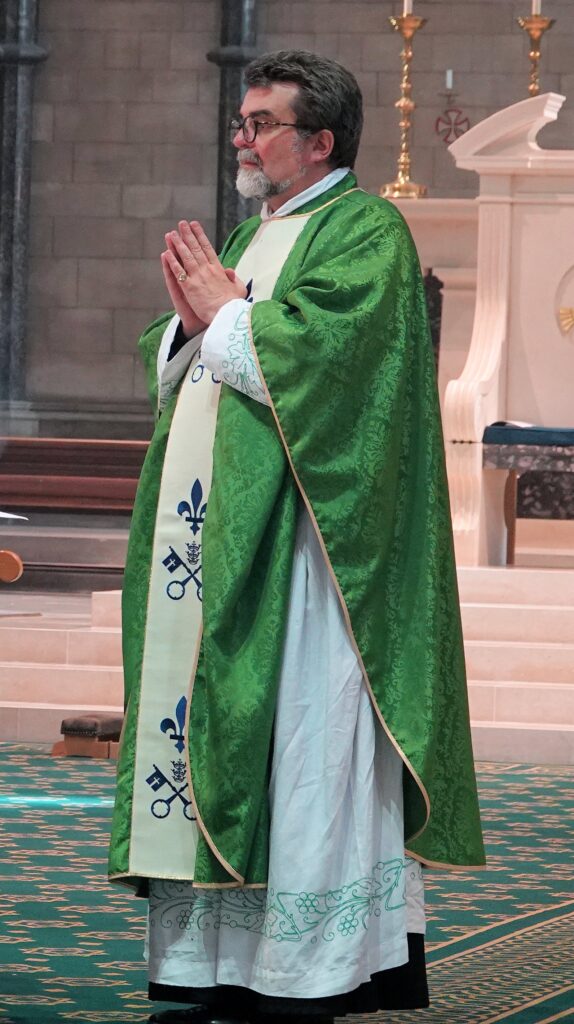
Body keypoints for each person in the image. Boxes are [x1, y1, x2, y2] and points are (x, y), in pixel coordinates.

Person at [109, 49, 485, 1024]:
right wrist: (192, 328)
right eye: (241, 122)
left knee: (299, 750)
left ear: (320, 140)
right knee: (221, 743)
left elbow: (329, 365)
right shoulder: (252, 230)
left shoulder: (365, 231)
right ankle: (208, 965)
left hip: (312, 567)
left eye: (260, 124)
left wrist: (230, 315)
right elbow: (198, 350)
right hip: (216, 553)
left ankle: (304, 969)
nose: (242, 139)